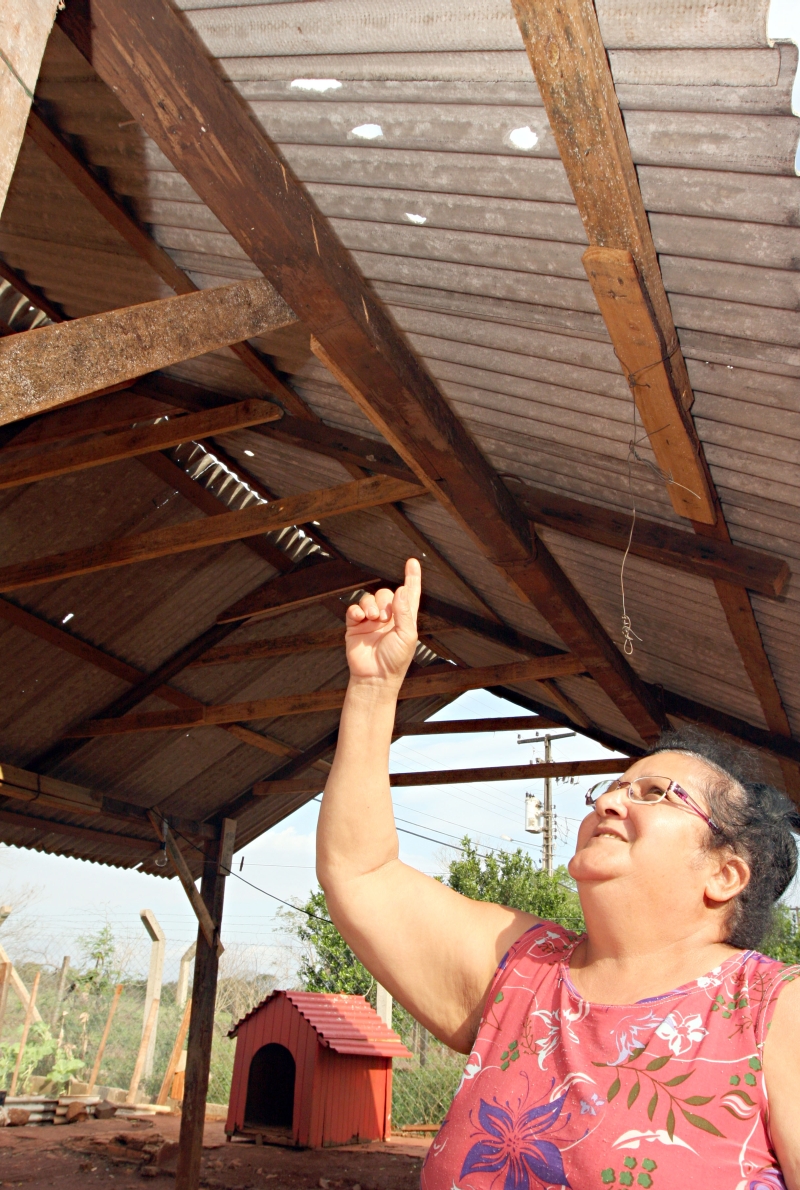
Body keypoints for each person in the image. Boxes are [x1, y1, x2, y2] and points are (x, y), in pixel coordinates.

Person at [317, 559, 800, 1190]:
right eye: (614, 785)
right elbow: (363, 871)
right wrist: (375, 692)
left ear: (725, 874)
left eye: (655, 792)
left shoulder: (773, 1010)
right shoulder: (522, 974)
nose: (610, 800)